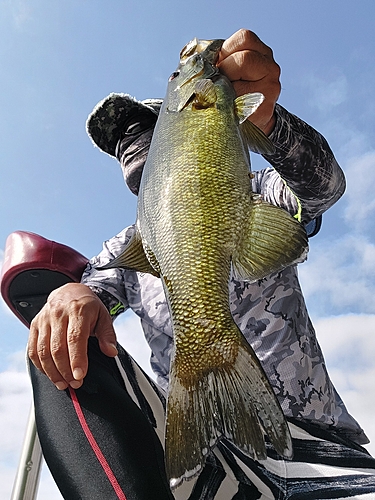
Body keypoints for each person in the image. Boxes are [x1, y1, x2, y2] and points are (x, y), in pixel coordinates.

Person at [28, 29, 375, 500]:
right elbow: (95, 299)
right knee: (59, 346)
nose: (129, 141)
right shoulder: (119, 251)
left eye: (142, 127)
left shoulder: (254, 190)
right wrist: (70, 293)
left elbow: (323, 187)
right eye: (120, 141)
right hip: (212, 462)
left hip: (316, 446)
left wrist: (269, 120)